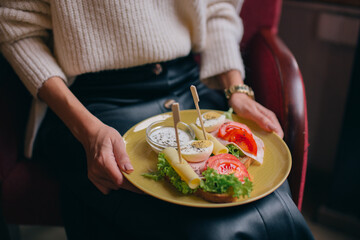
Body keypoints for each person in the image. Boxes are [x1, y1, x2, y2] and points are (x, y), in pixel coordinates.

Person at [0, 1, 314, 239]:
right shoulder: (88, 119)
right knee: (204, 227)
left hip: (189, 86)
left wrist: (237, 90)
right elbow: (17, 28)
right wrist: (87, 128)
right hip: (93, 105)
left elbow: (219, 8)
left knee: (269, 196)